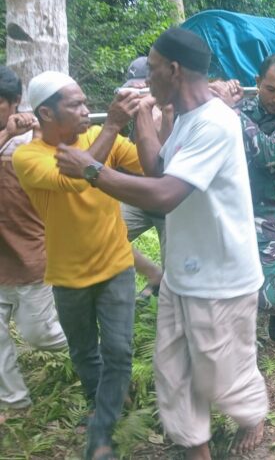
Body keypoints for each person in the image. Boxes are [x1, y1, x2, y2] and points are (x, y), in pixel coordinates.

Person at [53, 28, 268, 459]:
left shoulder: (216, 123)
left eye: (151, 69)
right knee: (174, 370)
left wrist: (91, 169)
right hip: (183, 273)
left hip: (223, 277)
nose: (146, 77)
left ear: (173, 70)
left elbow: (166, 194)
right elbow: (157, 168)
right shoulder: (187, 118)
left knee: (219, 377)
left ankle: (251, 413)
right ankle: (197, 448)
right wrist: (139, 117)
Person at [12, 71, 142, 460]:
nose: (87, 111)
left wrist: (159, 113)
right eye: (77, 105)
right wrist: (116, 122)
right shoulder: (28, 156)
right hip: (68, 276)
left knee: (118, 351)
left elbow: (149, 162)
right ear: (46, 114)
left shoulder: (100, 139)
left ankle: (100, 435)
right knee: (85, 352)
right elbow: (77, 180)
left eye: (87, 103)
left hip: (116, 265)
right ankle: (99, 400)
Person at [212, 55, 275, 342]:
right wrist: (219, 93)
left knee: (270, 298)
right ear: (257, 83)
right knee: (230, 281)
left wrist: (232, 111)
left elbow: (268, 154)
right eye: (271, 89)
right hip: (233, 203)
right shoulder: (242, 106)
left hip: (273, 210)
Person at [0, 67, 67, 417]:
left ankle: (100, 354)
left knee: (41, 335)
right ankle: (15, 402)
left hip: (30, 258)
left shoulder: (27, 146)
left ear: (14, 104)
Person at [118, 56, 166, 300]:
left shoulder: (170, 111)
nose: (137, 94)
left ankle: (162, 287)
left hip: (169, 201)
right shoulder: (133, 112)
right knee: (107, 236)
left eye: (143, 88)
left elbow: (159, 165)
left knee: (179, 273)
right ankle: (153, 274)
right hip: (140, 195)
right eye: (133, 88)